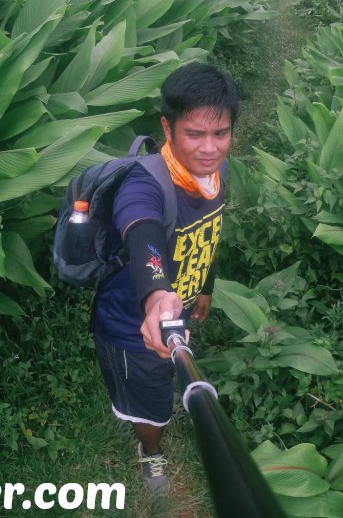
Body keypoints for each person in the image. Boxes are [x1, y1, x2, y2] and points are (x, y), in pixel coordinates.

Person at [92, 62, 237, 493]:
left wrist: (203, 289)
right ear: (167, 128)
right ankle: (150, 451)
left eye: (221, 133)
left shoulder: (216, 175)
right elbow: (145, 240)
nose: (209, 148)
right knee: (151, 402)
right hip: (133, 327)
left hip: (180, 311)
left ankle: (155, 415)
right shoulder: (144, 187)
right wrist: (158, 297)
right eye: (194, 133)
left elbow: (209, 235)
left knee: (162, 383)